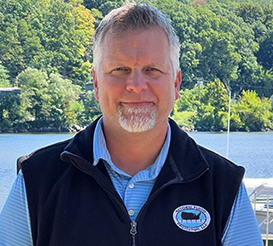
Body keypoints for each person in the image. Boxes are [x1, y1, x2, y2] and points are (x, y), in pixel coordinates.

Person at [0, 2, 263, 246]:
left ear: (176, 83)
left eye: (152, 70)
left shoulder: (222, 186)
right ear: (95, 83)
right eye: (119, 70)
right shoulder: (38, 178)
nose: (136, 85)